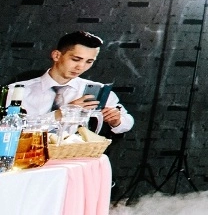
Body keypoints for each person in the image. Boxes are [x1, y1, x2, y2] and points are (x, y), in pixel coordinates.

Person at [5, 30, 134, 136]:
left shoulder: (96, 91)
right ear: (56, 55)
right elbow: (10, 129)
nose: (81, 67)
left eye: (89, 62)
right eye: (76, 59)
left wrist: (116, 121)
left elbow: (127, 122)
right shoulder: (16, 91)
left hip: (73, 157)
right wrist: (61, 113)